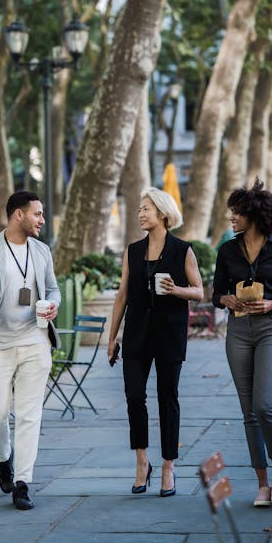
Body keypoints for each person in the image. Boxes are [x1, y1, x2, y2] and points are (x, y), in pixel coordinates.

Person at [0, 190, 61, 510]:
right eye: (37, 214)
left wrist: (54, 306)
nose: (42, 220)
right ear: (18, 214)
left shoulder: (42, 250)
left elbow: (52, 288)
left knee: (30, 414)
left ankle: (23, 481)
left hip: (34, 340)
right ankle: (3, 458)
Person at [212, 178, 272, 507]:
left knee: (264, 406)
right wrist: (226, 299)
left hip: (271, 330)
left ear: (255, 215)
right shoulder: (227, 250)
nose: (232, 217)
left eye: (237, 212)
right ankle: (262, 483)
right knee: (249, 412)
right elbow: (215, 293)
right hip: (238, 331)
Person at [108, 187, 203, 497]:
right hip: (136, 334)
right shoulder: (132, 251)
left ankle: (168, 467)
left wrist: (176, 290)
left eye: (146, 208)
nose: (140, 214)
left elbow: (200, 291)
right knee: (134, 397)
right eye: (139, 209)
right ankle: (141, 463)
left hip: (169, 335)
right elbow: (122, 295)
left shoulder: (182, 250)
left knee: (167, 398)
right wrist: (112, 338)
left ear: (163, 213)